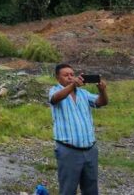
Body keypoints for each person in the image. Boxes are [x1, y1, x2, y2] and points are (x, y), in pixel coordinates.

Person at [49, 63, 108, 195]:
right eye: (66, 75)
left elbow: (101, 102)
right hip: (68, 150)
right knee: (68, 190)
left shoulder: (83, 93)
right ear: (58, 78)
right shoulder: (54, 91)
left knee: (91, 189)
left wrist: (102, 90)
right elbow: (55, 99)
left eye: (72, 74)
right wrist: (72, 85)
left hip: (90, 150)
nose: (70, 77)